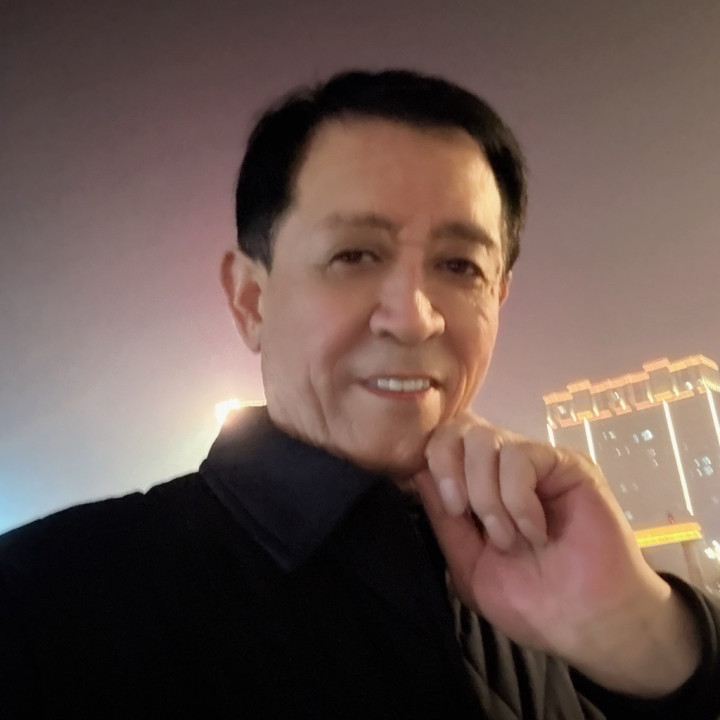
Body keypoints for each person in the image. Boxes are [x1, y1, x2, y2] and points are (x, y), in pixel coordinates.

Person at [1, 69, 719, 719]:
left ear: (499, 298)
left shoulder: (548, 585)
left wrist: (648, 636)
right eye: (353, 255)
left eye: (459, 266)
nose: (414, 317)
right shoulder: (48, 602)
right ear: (251, 300)